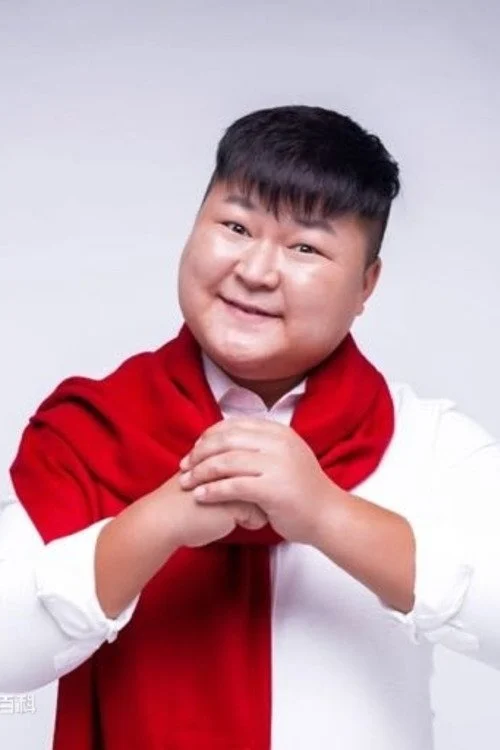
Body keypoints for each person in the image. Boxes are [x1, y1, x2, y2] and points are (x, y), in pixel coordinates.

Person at [1, 104, 500, 750]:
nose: (256, 272)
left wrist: (327, 515)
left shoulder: (427, 445)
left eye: (305, 247)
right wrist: (159, 522)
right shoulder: (92, 431)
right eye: (236, 226)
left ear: (366, 285)